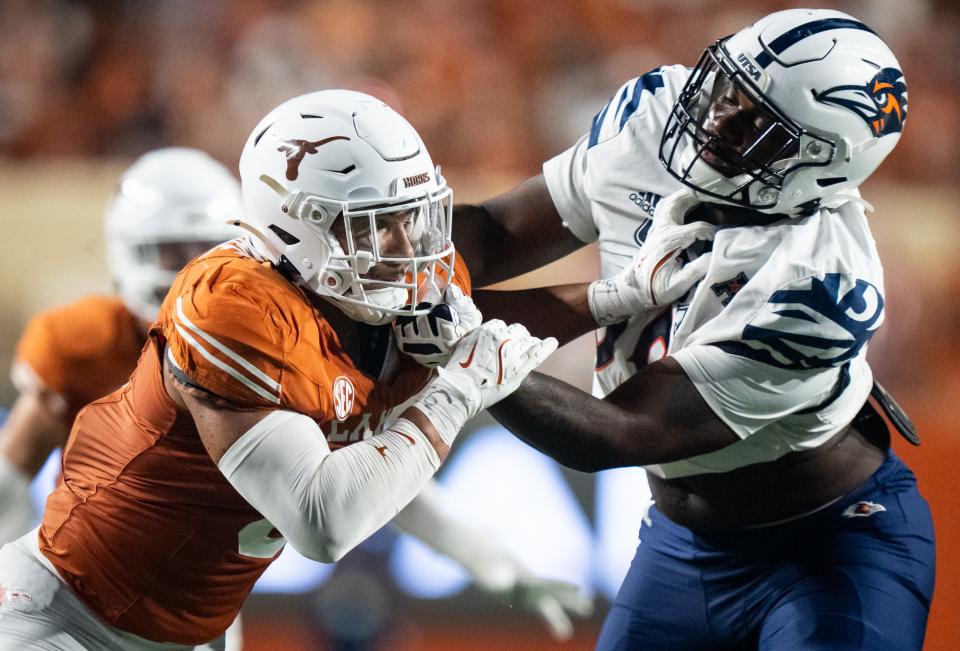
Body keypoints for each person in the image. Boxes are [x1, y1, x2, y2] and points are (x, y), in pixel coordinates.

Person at [0, 90, 585, 650]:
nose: (191, 263)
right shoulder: (115, 334)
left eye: (202, 243)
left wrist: (485, 556)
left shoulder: (298, 325)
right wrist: (460, 389)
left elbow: (371, 477)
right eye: (169, 251)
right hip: (72, 602)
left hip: (191, 620)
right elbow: (324, 518)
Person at [452, 8, 934, 650]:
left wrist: (453, 346)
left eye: (758, 126)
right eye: (727, 88)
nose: (715, 122)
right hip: (683, 544)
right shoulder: (651, 116)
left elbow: (618, 432)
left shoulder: (816, 283)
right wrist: (370, 254)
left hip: (829, 547)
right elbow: (493, 236)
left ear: (820, 169)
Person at [0, 147, 242, 546]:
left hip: (204, 579)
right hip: (86, 564)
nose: (193, 270)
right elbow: (10, 479)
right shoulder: (83, 344)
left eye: (208, 249)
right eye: (174, 252)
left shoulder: (264, 345)